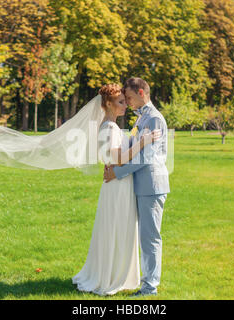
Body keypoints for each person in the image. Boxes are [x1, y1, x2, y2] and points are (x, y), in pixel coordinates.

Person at [72, 84, 160, 296]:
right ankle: (110, 276)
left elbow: (112, 157)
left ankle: (114, 273)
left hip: (119, 184)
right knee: (116, 228)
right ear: (108, 104)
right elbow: (117, 158)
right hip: (118, 186)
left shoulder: (109, 126)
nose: (125, 105)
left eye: (125, 100)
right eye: (121, 102)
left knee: (118, 228)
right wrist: (143, 142)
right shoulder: (109, 128)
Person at [104, 77, 170, 297]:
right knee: (144, 237)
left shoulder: (154, 119)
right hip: (141, 185)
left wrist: (117, 172)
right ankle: (141, 282)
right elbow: (133, 147)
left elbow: (146, 158)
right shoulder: (141, 119)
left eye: (130, 98)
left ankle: (150, 288)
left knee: (150, 238)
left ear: (141, 93)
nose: (128, 102)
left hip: (151, 185)